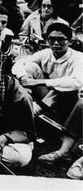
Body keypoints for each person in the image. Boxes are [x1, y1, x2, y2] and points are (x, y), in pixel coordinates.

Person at [12, 23, 83, 164]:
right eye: (51, 39)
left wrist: (39, 82)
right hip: (47, 97)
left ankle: (31, 113)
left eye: (61, 39)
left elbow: (76, 82)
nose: (56, 43)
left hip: (69, 103)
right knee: (29, 67)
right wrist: (25, 78)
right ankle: (25, 109)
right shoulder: (45, 53)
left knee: (63, 88)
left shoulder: (79, 57)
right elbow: (19, 63)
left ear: (70, 41)